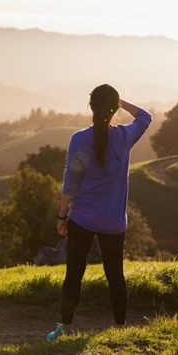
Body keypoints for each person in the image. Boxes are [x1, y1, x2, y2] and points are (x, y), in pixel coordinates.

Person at [47, 84, 152, 341]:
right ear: (113, 108)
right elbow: (146, 117)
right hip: (114, 221)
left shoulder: (79, 139)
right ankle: (119, 329)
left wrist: (62, 216)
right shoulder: (125, 137)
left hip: (82, 217)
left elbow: (71, 179)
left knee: (74, 274)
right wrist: (121, 103)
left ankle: (65, 329)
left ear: (91, 107)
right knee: (115, 275)